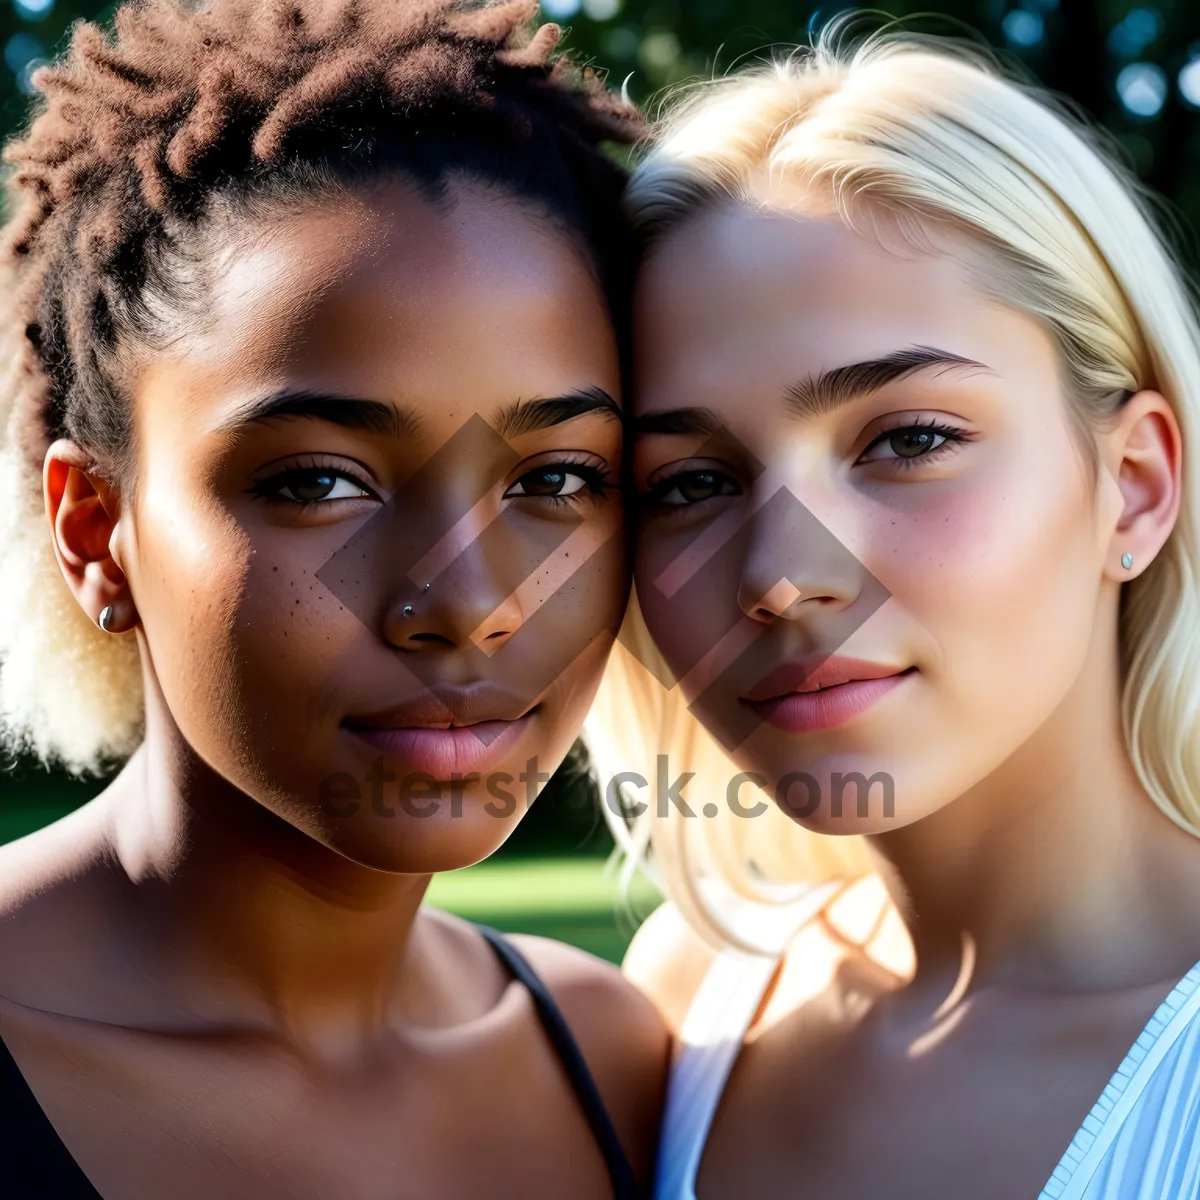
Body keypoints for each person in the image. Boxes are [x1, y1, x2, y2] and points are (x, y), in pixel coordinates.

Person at [0, 1, 668, 1196]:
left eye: (556, 479)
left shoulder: (621, 1064)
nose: (467, 605)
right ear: (95, 530)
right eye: (319, 481)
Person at [584, 24, 1200, 1200]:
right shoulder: (683, 1013)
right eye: (691, 484)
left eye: (909, 441)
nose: (779, 571)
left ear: (1134, 487)